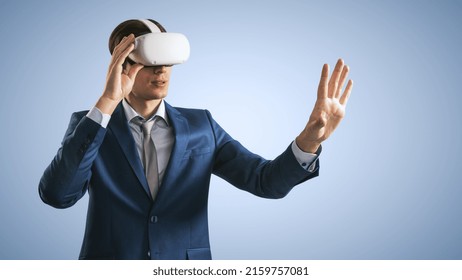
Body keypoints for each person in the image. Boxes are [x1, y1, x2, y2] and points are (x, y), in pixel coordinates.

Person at [39, 19, 353, 260]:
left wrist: (309, 139)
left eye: (167, 60)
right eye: (150, 60)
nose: (162, 69)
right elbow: (57, 195)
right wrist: (106, 103)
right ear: (122, 63)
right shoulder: (90, 125)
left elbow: (265, 182)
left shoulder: (200, 125)